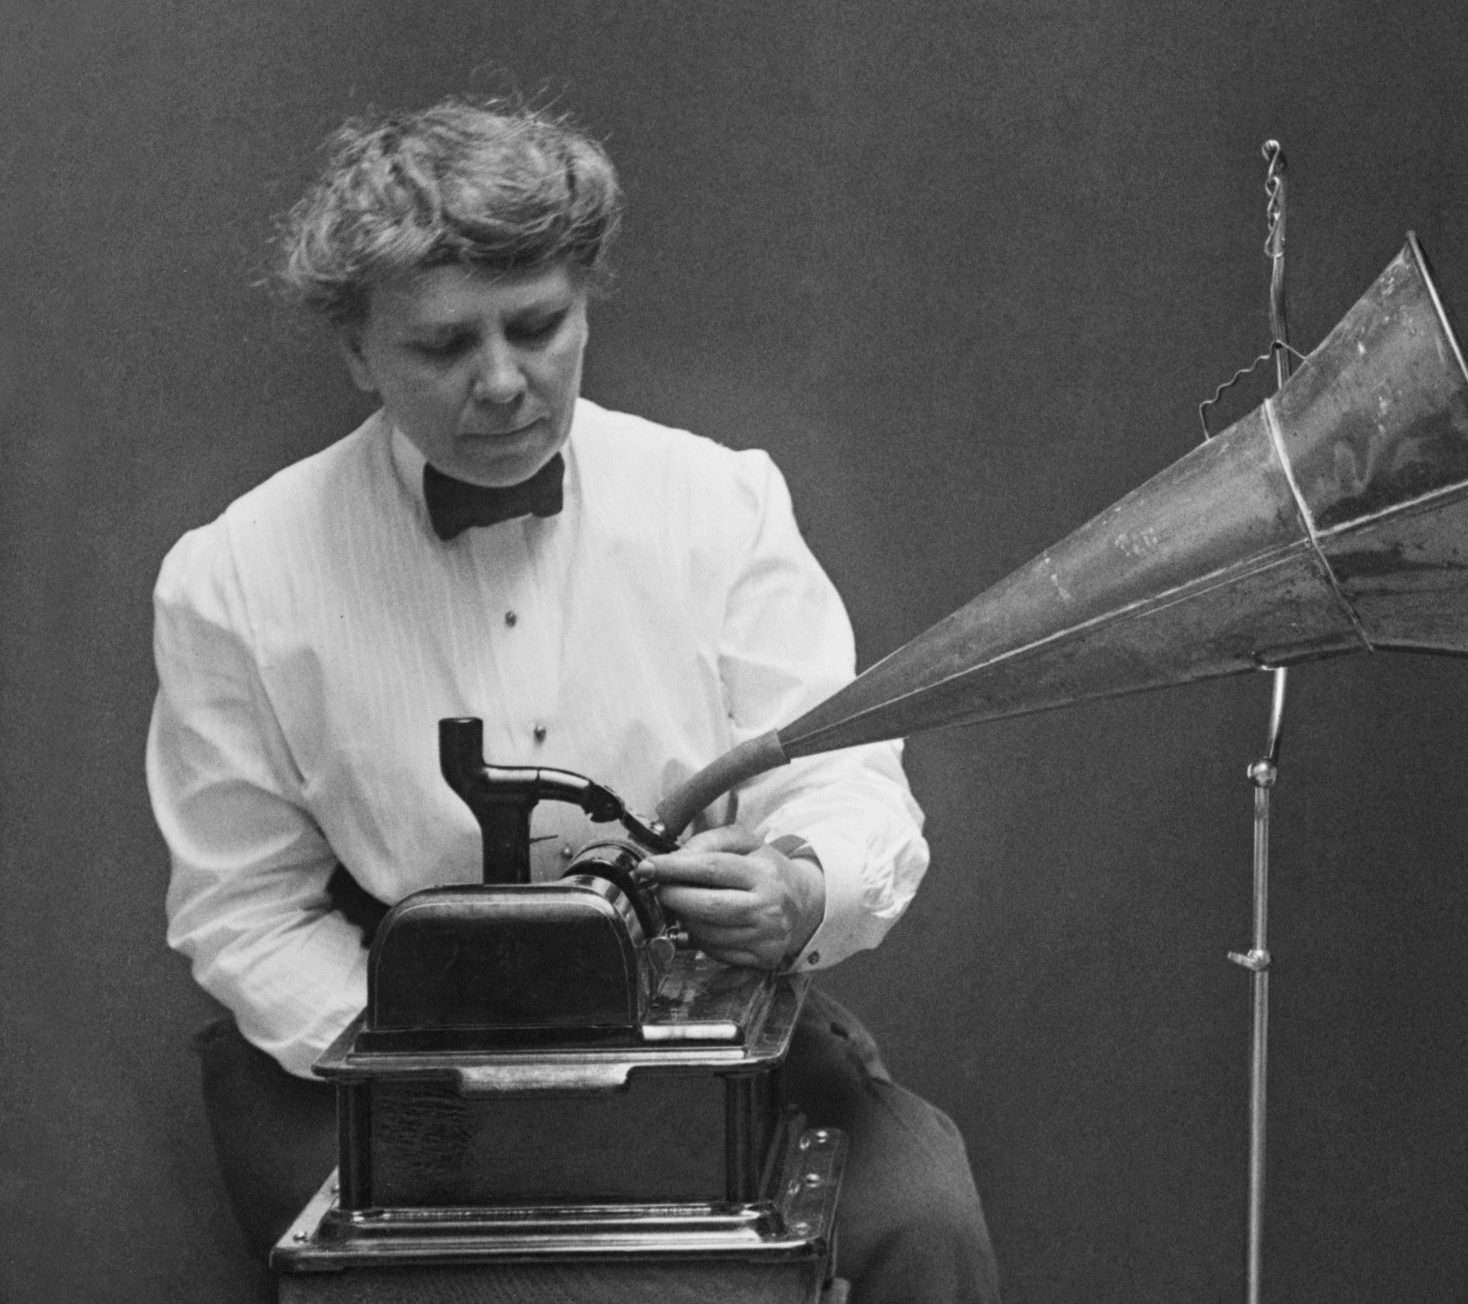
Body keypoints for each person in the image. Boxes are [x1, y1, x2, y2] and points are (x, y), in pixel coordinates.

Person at [147, 98, 1002, 1302]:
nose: (501, 383)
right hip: (383, 1061)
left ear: (586, 297)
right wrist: (437, 1064)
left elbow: (848, 779)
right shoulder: (231, 580)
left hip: (691, 1027)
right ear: (357, 351)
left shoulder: (721, 505)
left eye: (538, 327)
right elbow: (241, 912)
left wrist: (805, 889)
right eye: (443, 347)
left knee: (920, 1218)